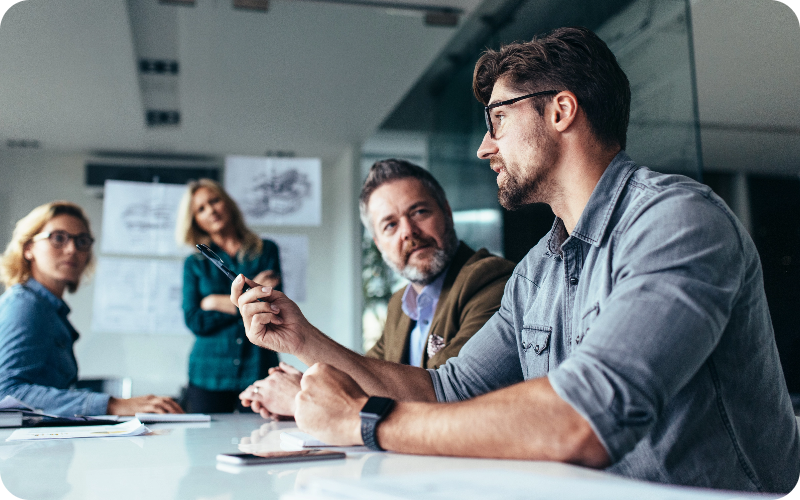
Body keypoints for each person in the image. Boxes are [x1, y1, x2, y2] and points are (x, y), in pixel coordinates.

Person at [232, 26, 800, 493]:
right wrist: (302, 339)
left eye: (498, 119)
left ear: (560, 111)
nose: (484, 146)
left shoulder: (677, 221)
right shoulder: (538, 270)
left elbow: (583, 420)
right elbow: (445, 390)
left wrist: (363, 422)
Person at [239, 159, 514, 418]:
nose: (408, 231)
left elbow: (444, 396)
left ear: (447, 212)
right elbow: (365, 379)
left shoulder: (490, 280)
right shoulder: (400, 304)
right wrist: (307, 385)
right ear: (378, 243)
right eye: (390, 225)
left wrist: (302, 396)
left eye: (419, 212)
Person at [0, 201, 183, 416]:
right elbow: (6, 393)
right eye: (58, 238)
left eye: (82, 241)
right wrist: (113, 404)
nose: (72, 249)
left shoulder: (49, 309)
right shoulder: (25, 305)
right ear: (28, 248)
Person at [177, 178, 282, 413]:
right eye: (201, 209)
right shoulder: (194, 264)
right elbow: (195, 320)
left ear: (227, 204)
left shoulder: (266, 251)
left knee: (262, 441)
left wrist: (213, 302)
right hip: (208, 373)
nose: (211, 210)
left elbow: (271, 308)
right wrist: (247, 302)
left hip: (258, 367)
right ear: (195, 221)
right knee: (204, 446)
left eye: (214, 201)